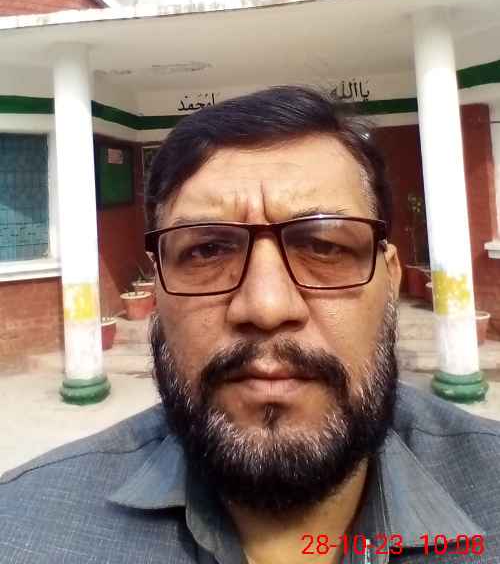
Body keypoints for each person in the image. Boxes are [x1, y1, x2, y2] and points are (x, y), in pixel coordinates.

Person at [1, 85, 499, 564]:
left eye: (324, 246)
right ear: (157, 288)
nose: (265, 307)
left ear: (389, 281)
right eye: (206, 250)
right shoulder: (22, 531)